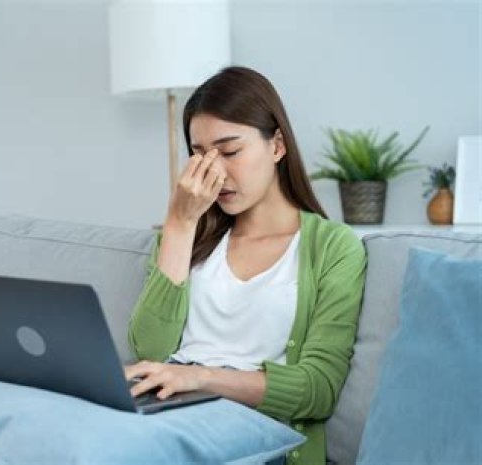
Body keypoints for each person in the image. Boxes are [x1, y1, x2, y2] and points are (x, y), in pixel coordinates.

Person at [125, 66, 367, 465]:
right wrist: (180, 224)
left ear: (277, 146)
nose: (215, 172)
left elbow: (318, 389)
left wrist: (199, 377)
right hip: (167, 412)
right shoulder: (188, 235)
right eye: (200, 155)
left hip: (249, 431)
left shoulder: (333, 247)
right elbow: (150, 348)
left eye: (230, 151)